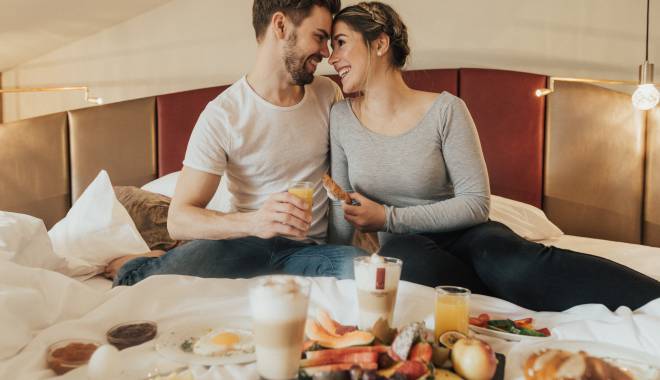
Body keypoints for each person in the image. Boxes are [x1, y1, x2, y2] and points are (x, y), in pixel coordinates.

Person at [326, 1, 660, 311]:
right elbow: (341, 213)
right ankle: (503, 297)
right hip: (409, 248)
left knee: (510, 263)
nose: (332, 58)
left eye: (340, 42)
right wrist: (331, 272)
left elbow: (475, 203)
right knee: (402, 257)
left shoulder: (446, 110)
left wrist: (388, 218)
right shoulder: (341, 117)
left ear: (380, 43)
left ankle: (652, 296)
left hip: (471, 236)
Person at [110, 0, 367, 287]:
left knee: (369, 272)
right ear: (280, 25)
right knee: (143, 282)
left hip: (307, 250)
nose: (326, 52)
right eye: (319, 37)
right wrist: (255, 222)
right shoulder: (224, 115)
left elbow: (346, 175)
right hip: (243, 244)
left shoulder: (327, 94)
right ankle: (138, 262)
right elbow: (178, 219)